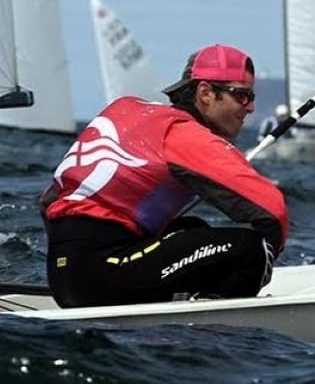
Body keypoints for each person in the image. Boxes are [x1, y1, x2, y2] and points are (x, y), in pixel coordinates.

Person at [40, 43, 288, 308]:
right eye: (241, 95)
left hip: (65, 275)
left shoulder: (125, 111)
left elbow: (49, 201)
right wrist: (266, 259)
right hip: (104, 278)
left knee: (190, 229)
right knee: (250, 250)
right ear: (205, 92)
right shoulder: (184, 134)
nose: (249, 108)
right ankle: (218, 329)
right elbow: (273, 210)